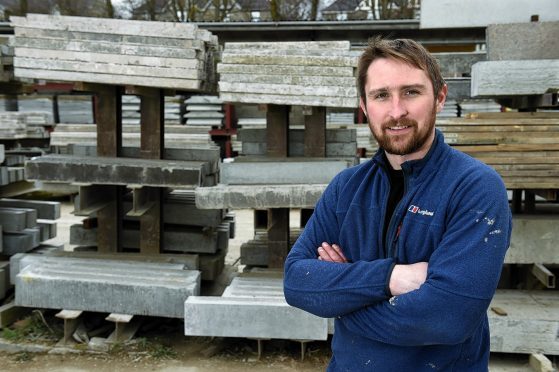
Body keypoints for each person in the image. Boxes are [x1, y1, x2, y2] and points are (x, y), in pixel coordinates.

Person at [283, 37, 512, 371]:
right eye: (381, 95)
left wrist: (342, 298)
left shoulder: (475, 188)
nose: (396, 111)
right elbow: (297, 281)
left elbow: (448, 316)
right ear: (364, 105)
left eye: (411, 92)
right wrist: (390, 277)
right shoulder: (346, 188)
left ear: (440, 98)